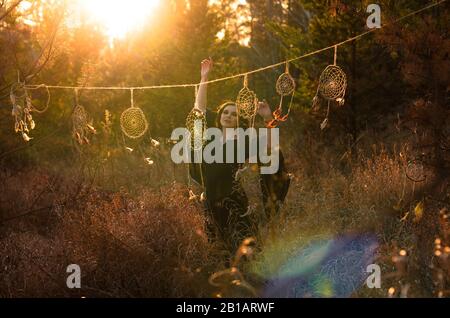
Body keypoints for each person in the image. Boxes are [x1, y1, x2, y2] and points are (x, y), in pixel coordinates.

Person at [189, 58, 290, 256]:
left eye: (234, 114)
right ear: (219, 117)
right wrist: (204, 78)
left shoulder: (245, 140)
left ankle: (253, 276)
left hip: (234, 199)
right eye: (225, 112)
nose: (228, 116)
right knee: (217, 246)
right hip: (210, 198)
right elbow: (199, 109)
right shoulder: (211, 136)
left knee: (245, 246)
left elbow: (270, 147)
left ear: (238, 120)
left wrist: (267, 118)